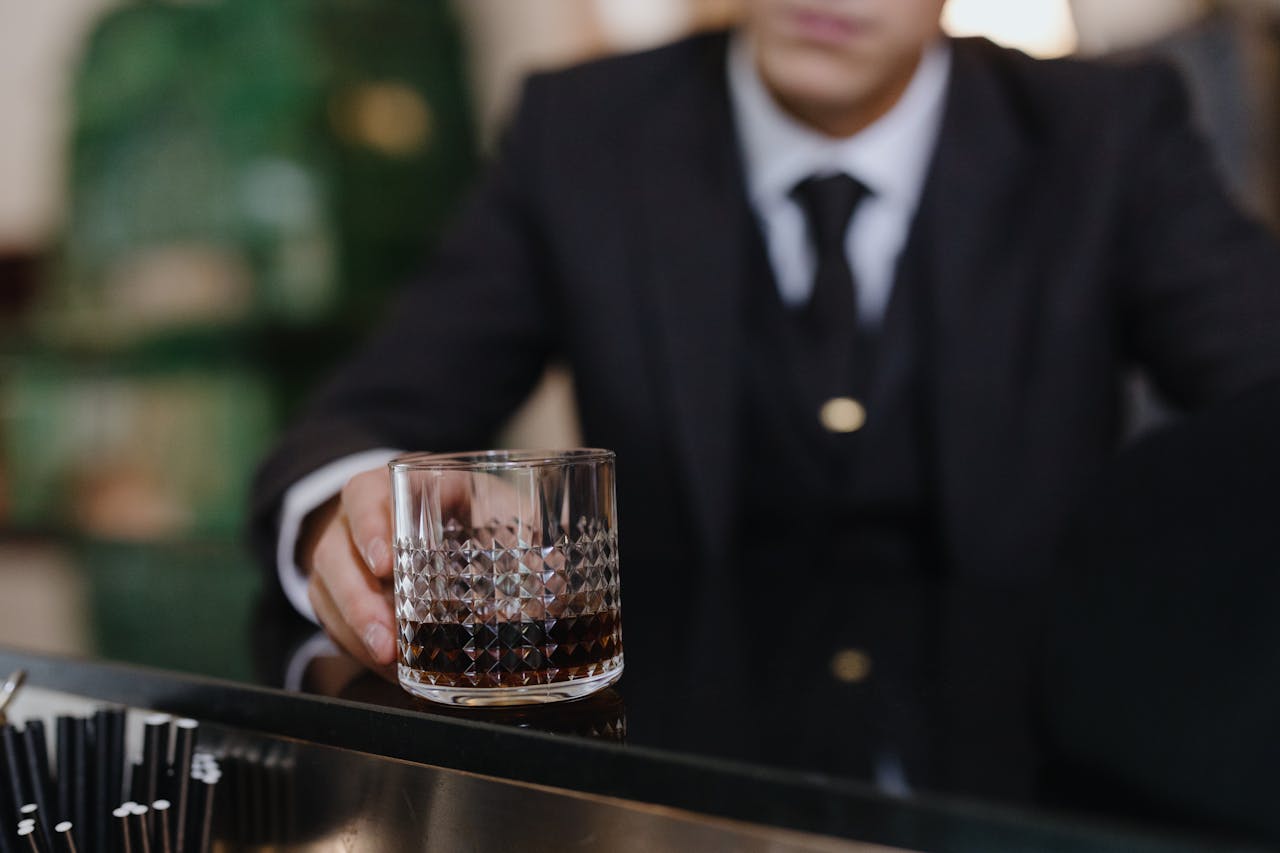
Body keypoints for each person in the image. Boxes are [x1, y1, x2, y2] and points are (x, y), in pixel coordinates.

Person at [251, 0, 1280, 793]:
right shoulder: (580, 132)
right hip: (672, 804)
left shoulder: (1107, 130)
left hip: (1026, 795)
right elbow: (368, 414)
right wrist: (350, 515)